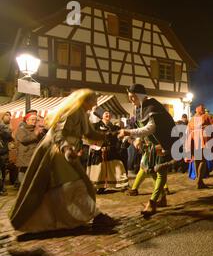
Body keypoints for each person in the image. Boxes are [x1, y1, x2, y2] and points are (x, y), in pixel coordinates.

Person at [9, 89, 116, 233]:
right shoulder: (72, 111)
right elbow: (58, 133)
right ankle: (97, 216)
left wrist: (111, 134)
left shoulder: (83, 113)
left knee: (72, 186)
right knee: (72, 185)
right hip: (58, 151)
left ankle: (70, 219)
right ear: (84, 100)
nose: (94, 105)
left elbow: (90, 133)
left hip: (67, 152)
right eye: (93, 101)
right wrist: (66, 149)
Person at [118, 84, 177, 217]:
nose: (131, 100)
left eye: (133, 97)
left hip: (162, 144)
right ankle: (162, 198)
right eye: (130, 97)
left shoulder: (152, 106)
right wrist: (138, 139)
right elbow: (143, 128)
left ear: (139, 95)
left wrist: (129, 132)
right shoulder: (139, 109)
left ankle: (153, 202)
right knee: (149, 170)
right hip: (150, 145)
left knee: (160, 171)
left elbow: (150, 128)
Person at [86, 111, 128, 193]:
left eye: (109, 113)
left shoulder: (115, 128)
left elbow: (122, 136)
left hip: (112, 151)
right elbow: (89, 137)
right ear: (101, 116)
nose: (108, 114)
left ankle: (123, 185)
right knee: (99, 170)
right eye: (106, 113)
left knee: (118, 167)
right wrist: (98, 147)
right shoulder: (95, 126)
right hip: (98, 152)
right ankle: (100, 186)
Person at [186, 103, 213, 189]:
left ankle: (199, 180)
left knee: (196, 160)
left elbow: (188, 130)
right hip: (203, 140)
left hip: (193, 140)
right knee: (203, 161)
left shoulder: (192, 119)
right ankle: (199, 181)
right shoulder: (206, 116)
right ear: (203, 110)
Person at [15, 111, 46, 185]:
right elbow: (23, 139)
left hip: (34, 155)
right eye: (32, 119)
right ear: (27, 120)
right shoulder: (21, 129)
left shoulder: (37, 129)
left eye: (35, 120)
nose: (34, 121)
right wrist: (35, 133)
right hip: (25, 156)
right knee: (24, 174)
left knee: (33, 174)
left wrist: (41, 133)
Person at [0, 111, 13, 195]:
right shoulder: (2, 127)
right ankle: (1, 188)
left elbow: (10, 138)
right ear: (2, 117)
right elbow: (9, 136)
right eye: (7, 115)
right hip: (2, 152)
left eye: (10, 116)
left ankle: (2, 187)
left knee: (3, 171)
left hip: (4, 152)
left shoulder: (7, 127)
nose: (9, 117)